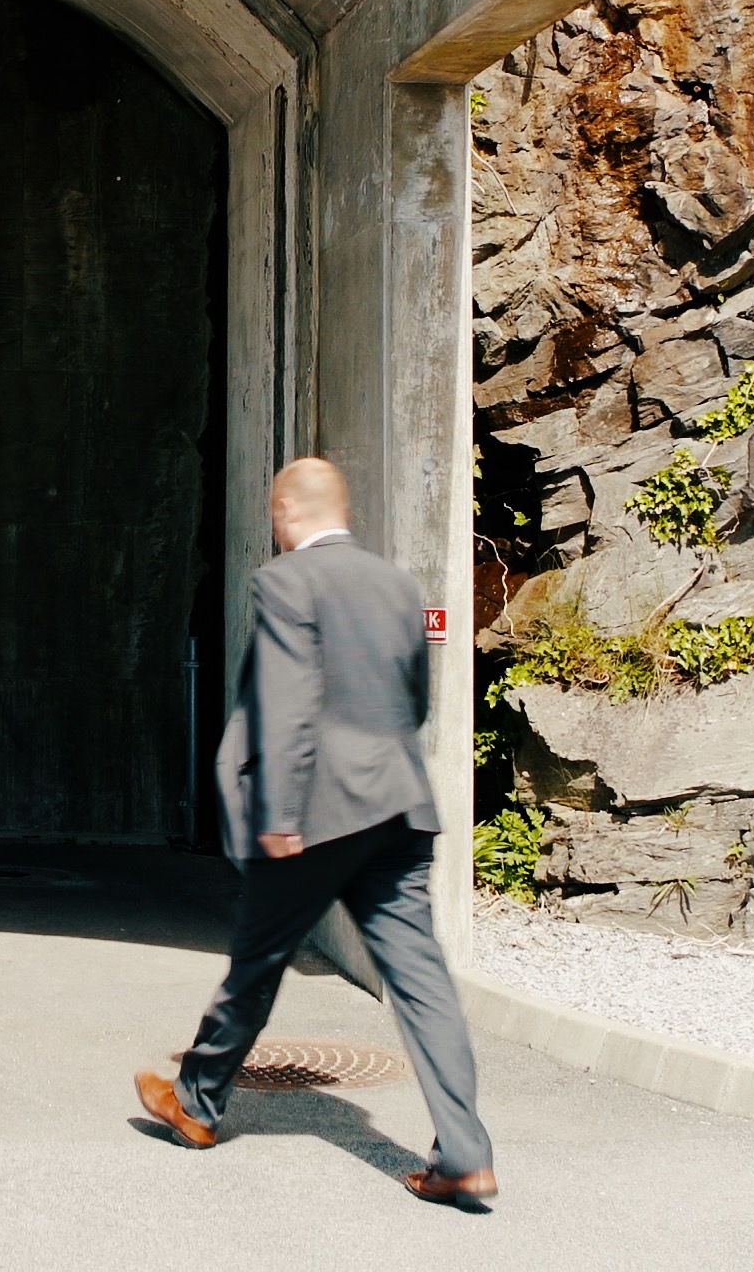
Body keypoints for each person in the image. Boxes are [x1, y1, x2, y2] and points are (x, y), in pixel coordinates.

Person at [136, 456, 498, 1205]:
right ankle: (464, 1151)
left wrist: (280, 813)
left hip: (316, 814)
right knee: (422, 981)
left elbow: (289, 700)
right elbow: (414, 702)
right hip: (398, 808)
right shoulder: (398, 586)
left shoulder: (285, 583)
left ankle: (197, 1105)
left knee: (257, 963)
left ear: (283, 512)